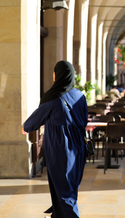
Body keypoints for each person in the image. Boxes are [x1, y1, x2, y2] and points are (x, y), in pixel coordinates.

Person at [22, 61, 88, 218]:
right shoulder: (80, 95)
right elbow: (84, 120)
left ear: (57, 75)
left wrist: (26, 127)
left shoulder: (52, 97)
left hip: (60, 148)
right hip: (78, 147)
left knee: (64, 190)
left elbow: (33, 122)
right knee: (69, 187)